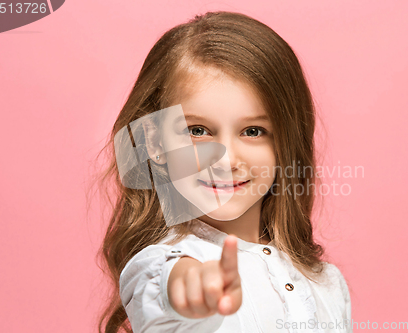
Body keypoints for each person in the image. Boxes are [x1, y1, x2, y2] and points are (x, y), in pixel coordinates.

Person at [96, 10, 352, 333]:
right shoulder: (160, 266)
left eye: (253, 131)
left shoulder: (328, 283)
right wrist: (189, 288)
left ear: (285, 143)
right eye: (198, 131)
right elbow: (168, 286)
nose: (227, 159)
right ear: (155, 141)